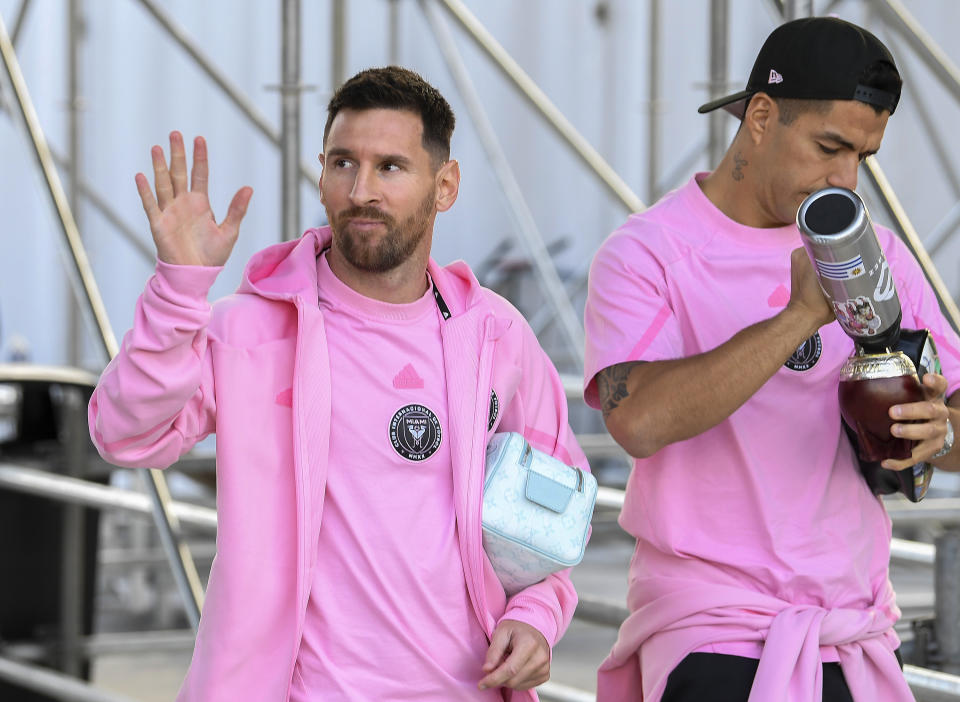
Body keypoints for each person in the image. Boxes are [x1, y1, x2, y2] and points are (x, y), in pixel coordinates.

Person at [89, 66, 588, 702]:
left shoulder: (496, 335)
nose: (361, 190)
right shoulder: (249, 330)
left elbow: (560, 507)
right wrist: (177, 290)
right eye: (343, 163)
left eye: (391, 167)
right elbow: (124, 436)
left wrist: (535, 615)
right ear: (322, 172)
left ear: (445, 185)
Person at [583, 17, 960, 702]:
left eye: (862, 157)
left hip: (854, 634)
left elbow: (953, 411)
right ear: (761, 116)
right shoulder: (647, 254)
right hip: (712, 630)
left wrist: (944, 432)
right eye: (829, 146)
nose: (843, 178)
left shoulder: (882, 256)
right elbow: (635, 422)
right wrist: (797, 318)